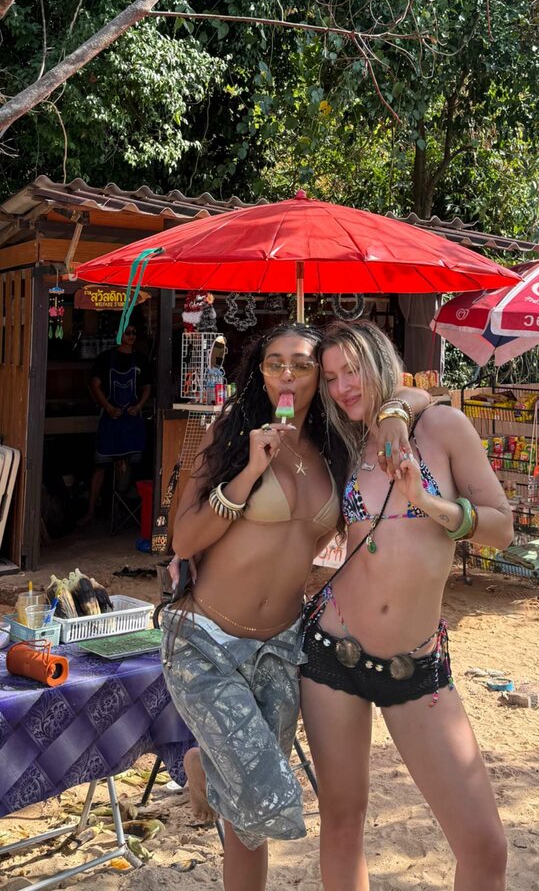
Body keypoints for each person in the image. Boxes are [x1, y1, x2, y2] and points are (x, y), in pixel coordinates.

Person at [161, 323, 429, 891]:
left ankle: (208, 768)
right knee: (269, 798)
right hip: (206, 643)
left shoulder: (338, 448)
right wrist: (251, 472)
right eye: (274, 363)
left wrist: (394, 413)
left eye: (303, 365)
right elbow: (184, 539)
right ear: (260, 374)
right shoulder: (231, 433)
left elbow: (422, 392)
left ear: (319, 379)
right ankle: (203, 768)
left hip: (282, 647)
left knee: (247, 829)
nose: (287, 374)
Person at [300, 319, 513, 891]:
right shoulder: (342, 441)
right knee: (342, 821)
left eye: (353, 370)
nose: (343, 387)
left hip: (415, 667)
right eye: (331, 378)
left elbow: (502, 528)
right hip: (331, 654)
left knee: (485, 848)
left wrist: (430, 503)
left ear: (381, 361)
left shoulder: (443, 428)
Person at [80, 324, 152, 525]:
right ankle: (91, 511)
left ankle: (119, 510)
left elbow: (147, 387)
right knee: (100, 467)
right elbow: (95, 385)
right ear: (119, 333)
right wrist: (109, 407)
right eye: (128, 332)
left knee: (126, 465)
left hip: (131, 421)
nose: (132, 336)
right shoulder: (105, 358)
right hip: (110, 422)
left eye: (134, 332)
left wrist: (139, 406)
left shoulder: (141, 359)